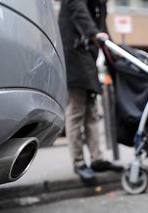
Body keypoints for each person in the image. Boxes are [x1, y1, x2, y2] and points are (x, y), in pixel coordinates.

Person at [58, 0, 122, 184]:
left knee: (92, 112)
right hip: (72, 54)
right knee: (76, 111)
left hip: (87, 57)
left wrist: (115, 49)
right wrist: (94, 34)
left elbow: (102, 27)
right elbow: (80, 12)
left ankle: (97, 159)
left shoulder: (100, 4)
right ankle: (78, 162)